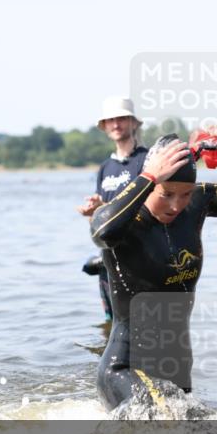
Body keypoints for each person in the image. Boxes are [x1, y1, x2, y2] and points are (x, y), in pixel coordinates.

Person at [89, 122, 217, 410]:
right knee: (162, 426)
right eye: (166, 194)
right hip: (126, 367)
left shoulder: (197, 203)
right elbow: (102, 232)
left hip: (175, 366)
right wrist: (149, 175)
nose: (176, 205)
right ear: (150, 183)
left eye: (185, 194)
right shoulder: (125, 219)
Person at [78, 96, 148, 320]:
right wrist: (93, 214)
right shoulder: (105, 168)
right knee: (112, 325)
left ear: (134, 123)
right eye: (111, 120)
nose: (116, 124)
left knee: (142, 323)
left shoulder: (146, 160)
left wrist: (105, 207)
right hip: (109, 258)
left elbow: (150, 208)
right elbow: (100, 224)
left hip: (140, 255)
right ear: (105, 126)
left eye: (121, 119)